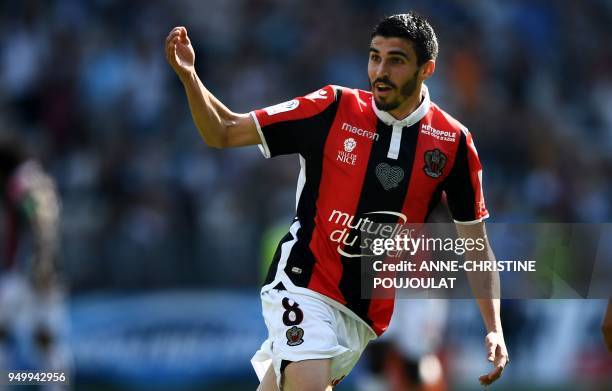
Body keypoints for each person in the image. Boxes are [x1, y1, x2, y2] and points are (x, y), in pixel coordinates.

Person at [166, 12, 509, 390]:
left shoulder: (453, 143)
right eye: (374, 57)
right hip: (303, 283)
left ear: (427, 69)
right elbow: (224, 131)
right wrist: (190, 77)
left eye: (395, 60)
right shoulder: (332, 108)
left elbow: (475, 243)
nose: (380, 70)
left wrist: (494, 328)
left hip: (362, 315)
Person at [0, 138, 68, 383]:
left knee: (7, 332)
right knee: (45, 338)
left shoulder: (19, 183)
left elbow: (38, 220)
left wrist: (39, 260)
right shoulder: (41, 179)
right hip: (48, 267)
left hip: (27, 269)